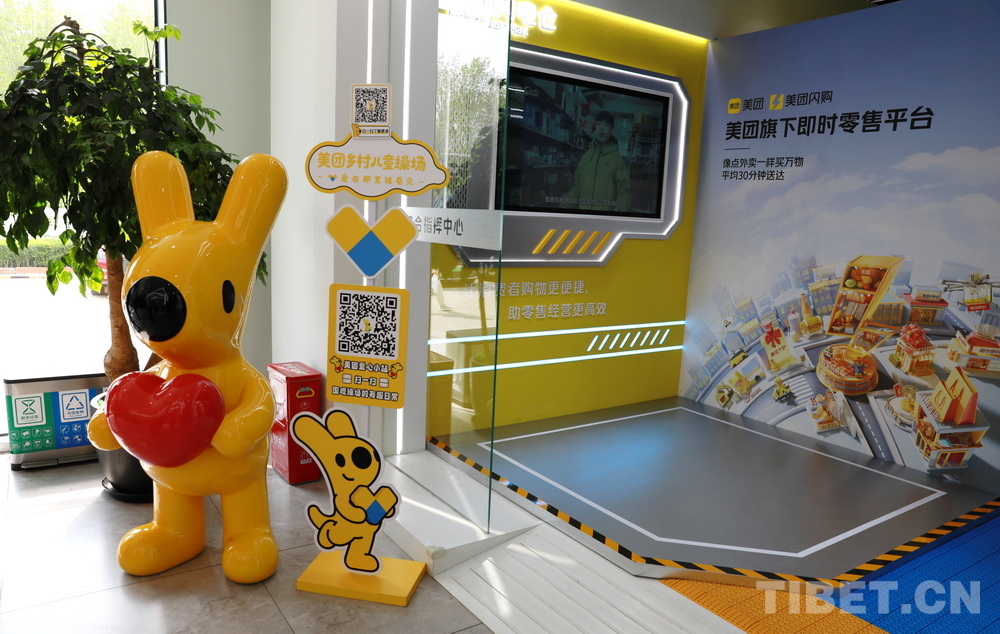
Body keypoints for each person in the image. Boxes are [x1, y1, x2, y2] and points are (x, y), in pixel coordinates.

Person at [564, 110, 632, 212]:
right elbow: (577, 186)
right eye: (599, 124)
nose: (602, 128)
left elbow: (624, 191)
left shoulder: (617, 160)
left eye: (606, 125)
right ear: (595, 128)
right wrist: (566, 206)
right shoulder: (586, 156)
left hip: (604, 218)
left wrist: (619, 212)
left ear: (611, 130)